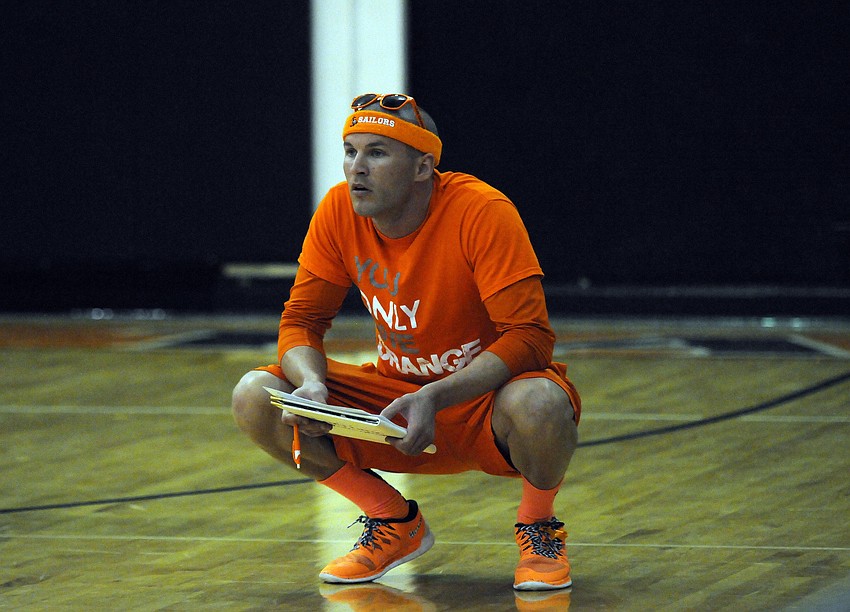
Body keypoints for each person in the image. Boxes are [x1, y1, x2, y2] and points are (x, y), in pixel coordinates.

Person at [231, 92, 581, 591]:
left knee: (542, 401)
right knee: (255, 395)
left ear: (422, 167)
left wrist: (435, 395)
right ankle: (393, 523)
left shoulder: (481, 211)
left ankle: (539, 527)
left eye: (377, 153)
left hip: (482, 406)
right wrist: (310, 384)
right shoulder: (337, 210)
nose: (357, 168)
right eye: (351, 151)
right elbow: (302, 319)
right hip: (395, 404)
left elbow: (530, 338)